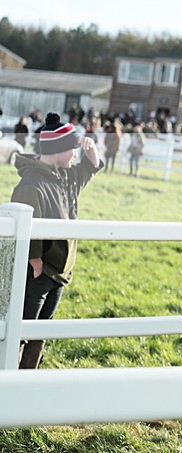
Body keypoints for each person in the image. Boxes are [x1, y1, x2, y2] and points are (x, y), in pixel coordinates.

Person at [11, 112, 103, 369]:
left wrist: (91, 150)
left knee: (41, 331)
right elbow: (26, 228)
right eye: (72, 148)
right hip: (38, 271)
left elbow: (89, 169)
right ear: (58, 149)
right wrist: (35, 260)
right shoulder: (32, 183)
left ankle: (29, 374)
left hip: (60, 273)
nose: (76, 154)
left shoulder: (66, 179)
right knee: (23, 327)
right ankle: (9, 375)